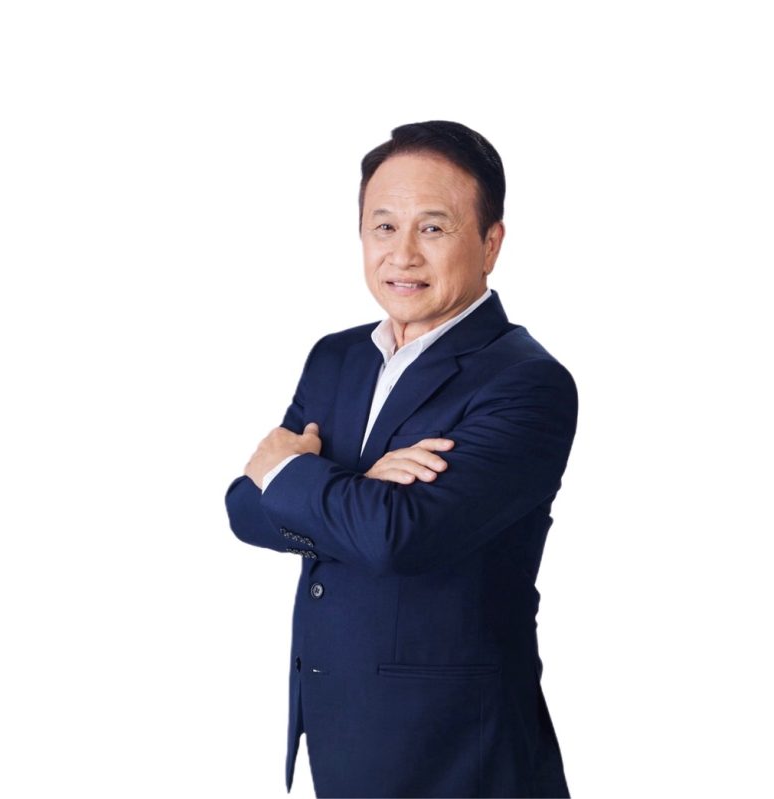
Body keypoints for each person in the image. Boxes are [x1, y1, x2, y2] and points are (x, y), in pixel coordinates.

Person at [225, 120, 577, 798]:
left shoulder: (526, 382)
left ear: (491, 243)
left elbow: (401, 535)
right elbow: (244, 507)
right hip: (340, 731)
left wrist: (298, 475)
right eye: (383, 227)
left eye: (433, 228)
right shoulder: (337, 357)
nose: (403, 254)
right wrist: (361, 485)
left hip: (459, 755)